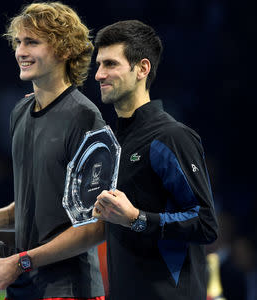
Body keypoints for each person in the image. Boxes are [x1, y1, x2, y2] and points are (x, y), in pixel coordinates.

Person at [0, 2, 106, 300]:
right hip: (23, 287)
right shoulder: (20, 111)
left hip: (69, 289)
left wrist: (20, 262)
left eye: (32, 42)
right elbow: (34, 207)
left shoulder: (84, 117)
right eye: (18, 42)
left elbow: (95, 228)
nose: (20, 51)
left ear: (65, 50)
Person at [91, 20, 219, 300]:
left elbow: (206, 222)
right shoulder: (110, 142)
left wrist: (137, 218)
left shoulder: (171, 136)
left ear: (142, 68)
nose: (99, 74)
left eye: (111, 64)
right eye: (98, 65)